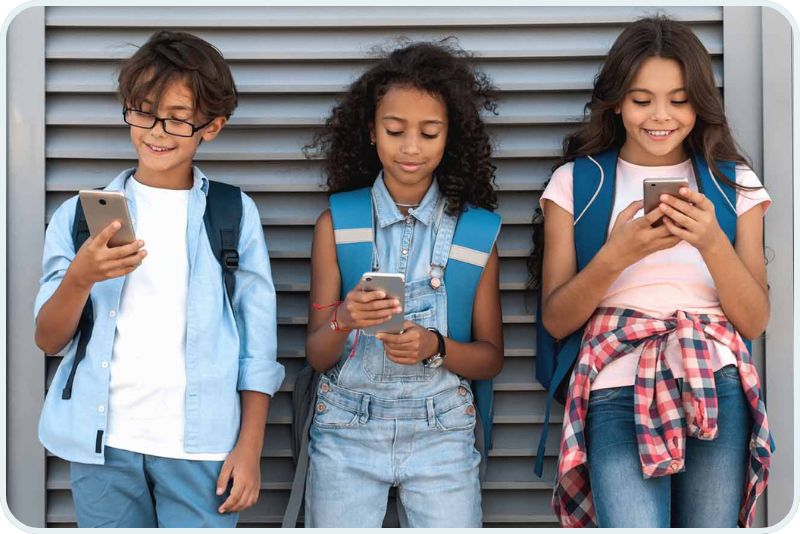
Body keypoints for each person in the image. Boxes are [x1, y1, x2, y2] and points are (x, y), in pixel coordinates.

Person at [33, 30, 284, 527]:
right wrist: (81, 277)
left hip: (203, 450)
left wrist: (250, 446)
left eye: (178, 118)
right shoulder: (78, 217)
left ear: (212, 126)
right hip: (102, 447)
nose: (157, 130)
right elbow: (47, 338)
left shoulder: (233, 213)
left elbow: (258, 346)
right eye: (144, 112)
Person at [531, 15, 774, 528]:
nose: (660, 116)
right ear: (616, 102)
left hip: (716, 383)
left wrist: (711, 241)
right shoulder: (575, 183)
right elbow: (556, 319)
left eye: (679, 100)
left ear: (700, 103)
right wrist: (617, 255)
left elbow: (753, 320)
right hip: (615, 387)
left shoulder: (734, 184)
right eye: (642, 100)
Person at [302, 40, 504, 527]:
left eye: (429, 132)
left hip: (443, 433)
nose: (411, 147)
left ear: (450, 136)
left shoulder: (475, 234)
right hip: (346, 428)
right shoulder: (338, 224)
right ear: (371, 132)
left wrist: (435, 347)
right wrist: (344, 318)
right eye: (395, 131)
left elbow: (490, 358)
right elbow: (317, 355)